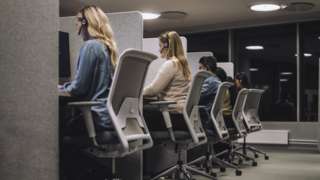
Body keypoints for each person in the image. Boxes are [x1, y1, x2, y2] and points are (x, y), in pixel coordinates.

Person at [59, 5, 118, 133]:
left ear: (84, 22)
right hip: (109, 117)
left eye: (77, 20)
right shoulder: (106, 47)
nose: (75, 24)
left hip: (95, 118)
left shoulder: (90, 46)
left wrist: (59, 88)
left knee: (54, 128)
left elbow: (79, 88)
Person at [143, 31, 191, 130]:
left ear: (166, 46)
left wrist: (137, 92)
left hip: (171, 117)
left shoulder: (171, 64)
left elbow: (153, 90)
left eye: (160, 45)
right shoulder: (183, 65)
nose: (159, 49)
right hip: (183, 115)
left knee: (140, 113)